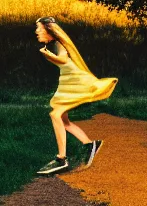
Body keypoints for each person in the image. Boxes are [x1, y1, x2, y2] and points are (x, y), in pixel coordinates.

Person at [35, 16, 118, 176]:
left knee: (55, 115)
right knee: (64, 121)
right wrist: (47, 54)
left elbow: (62, 59)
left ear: (48, 29)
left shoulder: (60, 43)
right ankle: (90, 144)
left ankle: (61, 158)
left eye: (39, 28)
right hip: (69, 84)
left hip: (76, 84)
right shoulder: (59, 43)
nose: (36, 31)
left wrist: (47, 55)